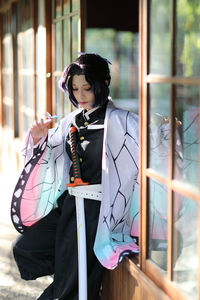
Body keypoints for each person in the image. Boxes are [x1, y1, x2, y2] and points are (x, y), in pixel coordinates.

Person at [11, 53, 140, 300]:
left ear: (103, 84)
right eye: (75, 89)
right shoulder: (71, 120)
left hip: (97, 212)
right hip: (69, 206)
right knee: (26, 248)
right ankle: (66, 269)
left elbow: (150, 147)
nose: (80, 96)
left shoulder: (123, 121)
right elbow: (52, 158)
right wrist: (39, 138)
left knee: (74, 283)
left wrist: (170, 133)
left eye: (87, 88)